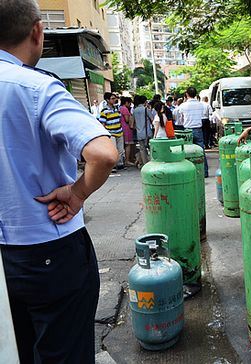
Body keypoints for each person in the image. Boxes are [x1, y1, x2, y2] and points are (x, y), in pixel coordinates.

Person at [0, 1, 119, 362]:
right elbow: (103, 153)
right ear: (38, 31)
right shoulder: (35, 87)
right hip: (49, 248)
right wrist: (78, 191)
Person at [179, 87, 209, 177]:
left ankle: (189, 172)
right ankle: (204, 172)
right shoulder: (200, 105)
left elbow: (179, 117)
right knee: (201, 151)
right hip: (198, 129)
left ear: (186, 94)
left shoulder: (183, 106)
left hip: (187, 130)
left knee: (187, 152)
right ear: (196, 95)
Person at [99, 92, 125, 170]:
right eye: (112, 98)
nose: (114, 100)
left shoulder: (117, 108)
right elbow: (102, 123)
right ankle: (113, 166)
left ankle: (120, 164)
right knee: (113, 150)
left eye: (115, 98)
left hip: (119, 132)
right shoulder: (104, 111)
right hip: (110, 133)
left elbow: (119, 119)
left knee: (120, 150)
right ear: (107, 100)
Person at [133, 95, 150, 168]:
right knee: (150, 148)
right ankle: (151, 163)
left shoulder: (135, 110)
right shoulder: (146, 110)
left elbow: (133, 122)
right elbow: (152, 119)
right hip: (147, 132)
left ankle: (145, 164)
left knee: (142, 149)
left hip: (139, 132)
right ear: (145, 101)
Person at [119, 96, 135, 167]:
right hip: (126, 128)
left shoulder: (119, 108)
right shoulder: (125, 109)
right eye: (129, 103)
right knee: (128, 145)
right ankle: (127, 160)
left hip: (121, 127)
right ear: (126, 102)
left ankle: (124, 160)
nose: (130, 105)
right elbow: (127, 120)